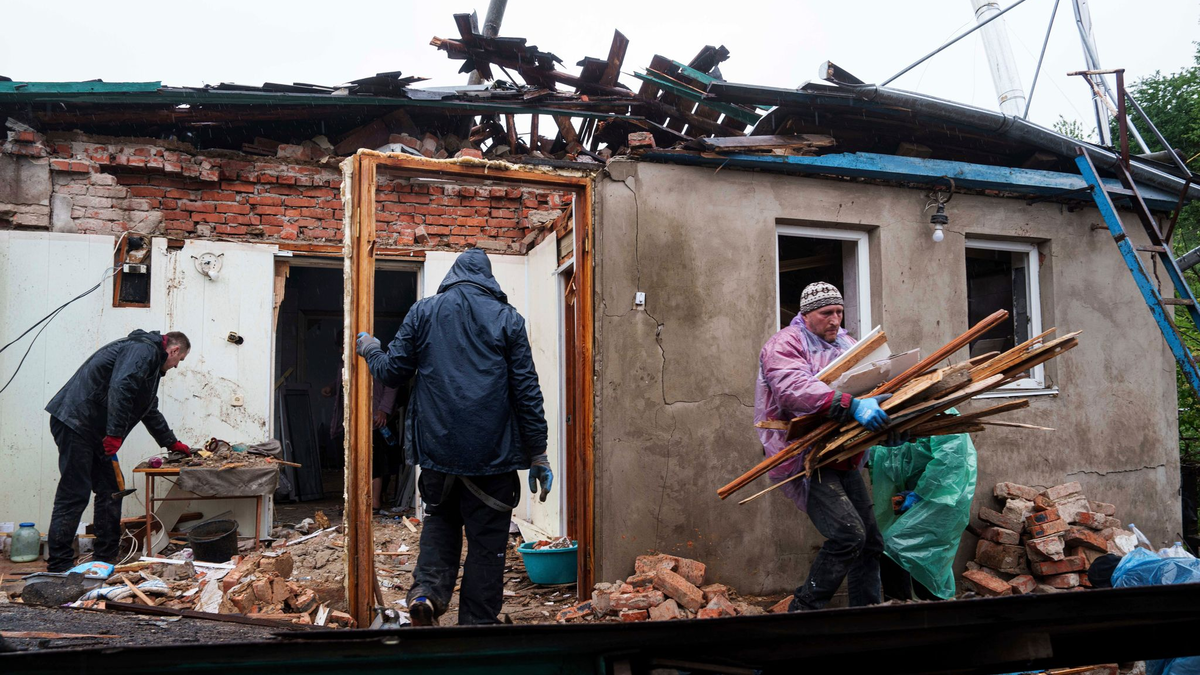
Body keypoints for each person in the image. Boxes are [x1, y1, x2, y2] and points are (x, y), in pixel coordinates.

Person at [356, 248, 551, 626]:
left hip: (438, 453)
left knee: (440, 522)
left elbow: (394, 371)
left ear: (453, 276)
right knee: (487, 544)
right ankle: (476, 624)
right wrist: (538, 452)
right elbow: (527, 390)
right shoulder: (509, 319)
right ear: (489, 280)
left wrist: (370, 349)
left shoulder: (423, 312)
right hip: (492, 458)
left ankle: (427, 595)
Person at [754, 282, 893, 611]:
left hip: (843, 455)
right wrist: (852, 404)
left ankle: (867, 617)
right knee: (849, 535)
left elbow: (876, 379)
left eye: (839, 311)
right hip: (807, 456)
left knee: (870, 543)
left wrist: (890, 425)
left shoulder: (847, 342)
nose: (835, 319)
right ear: (806, 314)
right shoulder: (784, 344)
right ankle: (803, 610)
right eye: (826, 312)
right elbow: (793, 389)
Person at [43, 330, 192, 573]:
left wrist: (171, 442)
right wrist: (114, 433)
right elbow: (121, 386)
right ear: (174, 351)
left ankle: (106, 556)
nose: (176, 366)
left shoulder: (150, 363)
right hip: (76, 422)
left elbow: (147, 408)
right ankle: (59, 564)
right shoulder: (143, 349)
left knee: (112, 489)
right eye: (180, 360)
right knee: (75, 491)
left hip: (94, 429)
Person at [869, 428, 977, 601]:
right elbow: (887, 456)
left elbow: (951, 464)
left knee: (901, 549)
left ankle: (923, 609)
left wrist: (921, 493)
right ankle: (904, 611)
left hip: (941, 500)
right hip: (912, 497)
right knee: (906, 554)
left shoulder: (944, 418)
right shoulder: (900, 419)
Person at [323, 365, 402, 512]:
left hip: (373, 422)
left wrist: (383, 409)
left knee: (375, 464)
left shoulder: (377, 362)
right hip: (353, 421)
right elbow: (343, 382)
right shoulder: (347, 362)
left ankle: (374, 503)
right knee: (353, 463)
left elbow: (392, 384)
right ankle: (357, 502)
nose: (342, 351)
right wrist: (332, 388)